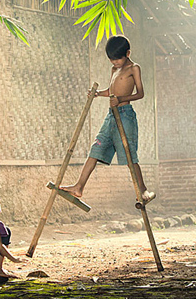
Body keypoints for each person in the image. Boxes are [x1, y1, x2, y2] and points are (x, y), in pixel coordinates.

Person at [60, 35, 155, 203]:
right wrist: (97, 94)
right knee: (96, 148)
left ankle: (143, 191)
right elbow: (111, 91)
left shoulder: (134, 68)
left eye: (117, 60)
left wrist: (120, 99)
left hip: (125, 115)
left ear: (127, 53)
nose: (115, 63)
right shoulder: (114, 70)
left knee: (129, 155)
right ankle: (79, 187)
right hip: (111, 116)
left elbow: (140, 93)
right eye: (112, 60)